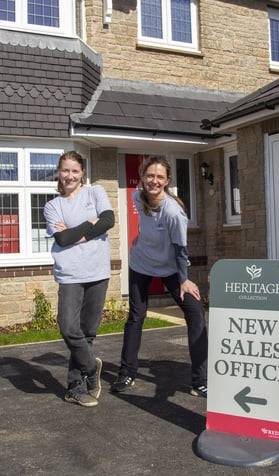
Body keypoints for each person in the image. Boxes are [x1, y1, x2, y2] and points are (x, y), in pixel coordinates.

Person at [111, 155, 209, 397]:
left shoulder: (174, 213)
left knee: (196, 313)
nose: (154, 181)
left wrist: (185, 279)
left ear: (167, 181)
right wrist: (141, 240)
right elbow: (146, 224)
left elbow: (180, 249)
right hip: (141, 264)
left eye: (159, 177)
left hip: (172, 269)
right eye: (150, 175)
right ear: (143, 177)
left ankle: (200, 381)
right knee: (136, 316)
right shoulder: (137, 196)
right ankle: (127, 372)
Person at [44, 151, 114, 407]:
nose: (70, 176)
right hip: (70, 274)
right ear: (59, 173)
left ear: (82, 172)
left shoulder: (95, 192)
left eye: (75, 170)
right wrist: (90, 224)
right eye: (65, 170)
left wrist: (77, 233)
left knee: (88, 333)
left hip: (97, 271)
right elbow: (61, 239)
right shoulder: (53, 206)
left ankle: (75, 386)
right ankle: (91, 366)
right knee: (68, 326)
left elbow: (108, 220)